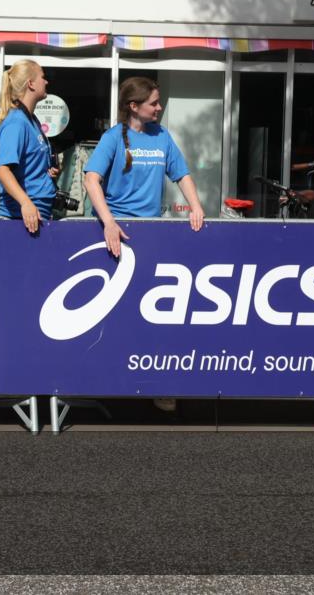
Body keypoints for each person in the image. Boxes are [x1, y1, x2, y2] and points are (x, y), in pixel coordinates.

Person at [83, 76, 205, 416]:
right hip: (116, 235)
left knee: (154, 313)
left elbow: (181, 174)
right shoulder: (112, 138)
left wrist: (195, 206)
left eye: (160, 101)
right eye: (153, 102)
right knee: (113, 313)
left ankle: (158, 385)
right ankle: (105, 380)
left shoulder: (162, 136)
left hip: (152, 234)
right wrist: (108, 222)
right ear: (134, 107)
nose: (160, 107)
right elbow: (91, 179)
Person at [0, 59, 59, 234]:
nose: (46, 82)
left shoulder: (31, 120)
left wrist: (46, 173)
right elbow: (2, 170)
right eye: (42, 77)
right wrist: (26, 203)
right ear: (30, 84)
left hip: (37, 215)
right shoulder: (16, 122)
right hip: (20, 219)